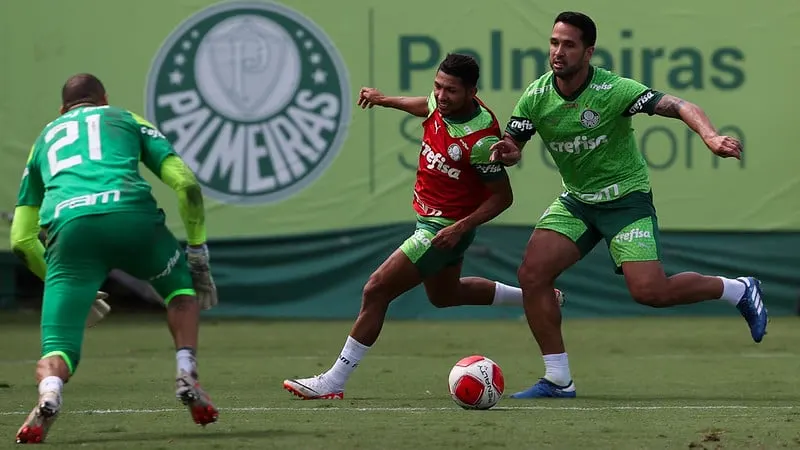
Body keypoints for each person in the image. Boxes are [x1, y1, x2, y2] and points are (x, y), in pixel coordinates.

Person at [489, 12, 767, 399]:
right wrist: (508, 152)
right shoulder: (537, 96)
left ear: (588, 52)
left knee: (650, 292)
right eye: (554, 42)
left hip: (625, 201)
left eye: (568, 45)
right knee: (532, 275)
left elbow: (680, 105)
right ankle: (558, 380)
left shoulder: (613, 89)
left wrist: (710, 136)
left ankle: (737, 289)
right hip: (578, 202)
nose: (558, 52)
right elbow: (514, 145)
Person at [283, 53, 565, 400]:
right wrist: (385, 100)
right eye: (438, 86)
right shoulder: (440, 104)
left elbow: (501, 198)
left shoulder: (479, 140)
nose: (442, 96)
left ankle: (334, 381)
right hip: (433, 223)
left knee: (375, 290)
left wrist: (459, 228)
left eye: (451, 91)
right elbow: (425, 105)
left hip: (440, 230)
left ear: (472, 92)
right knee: (445, 296)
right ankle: (536, 298)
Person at [11, 73, 220, 443]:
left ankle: (50, 392)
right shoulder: (125, 118)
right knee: (181, 293)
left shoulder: (44, 139)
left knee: (58, 347)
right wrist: (197, 251)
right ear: (103, 99)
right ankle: (186, 372)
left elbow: (22, 240)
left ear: (62, 110)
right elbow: (186, 183)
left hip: (72, 234)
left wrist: (66, 282)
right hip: (133, 220)